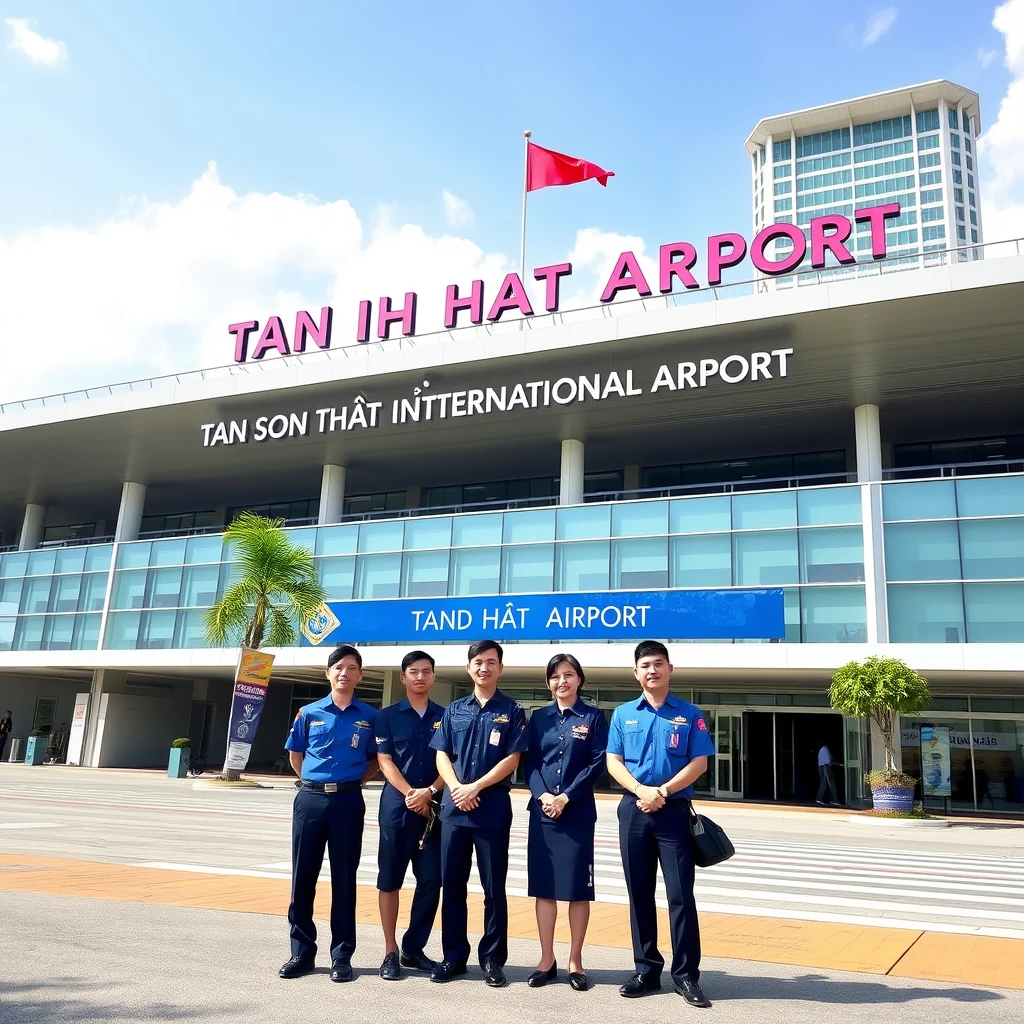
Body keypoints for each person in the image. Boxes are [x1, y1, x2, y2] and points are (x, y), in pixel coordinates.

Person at [605, 640, 716, 1009]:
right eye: (645, 665)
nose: (652, 670)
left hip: (673, 812)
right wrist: (640, 790)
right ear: (635, 673)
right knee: (639, 893)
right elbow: (613, 761)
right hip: (634, 809)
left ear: (670, 669)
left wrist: (663, 792)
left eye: (658, 664)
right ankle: (646, 970)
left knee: (680, 895)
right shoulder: (623, 714)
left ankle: (686, 976)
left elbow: (700, 761)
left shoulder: (689, 713)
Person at [428, 639, 528, 987]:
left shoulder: (513, 711)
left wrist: (476, 787)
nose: (483, 667)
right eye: (478, 662)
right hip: (453, 809)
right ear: (469, 666)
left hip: (492, 808)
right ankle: (453, 957)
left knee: (492, 888)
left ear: (500, 667)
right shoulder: (454, 709)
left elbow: (512, 759)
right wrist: (457, 787)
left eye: (491, 662)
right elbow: (441, 754)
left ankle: (492, 960)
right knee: (452, 886)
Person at [279, 644, 378, 983]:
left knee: (344, 880)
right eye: (338, 667)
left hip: (348, 803)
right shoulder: (308, 712)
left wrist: (351, 784)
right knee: (302, 877)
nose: (344, 673)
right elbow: (297, 756)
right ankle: (301, 952)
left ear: (360, 675)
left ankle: (342, 955)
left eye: (351, 668)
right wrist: (313, 783)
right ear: (327, 673)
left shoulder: (370, 716)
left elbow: (374, 760)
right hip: (310, 801)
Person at [523, 653, 608, 992]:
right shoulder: (538, 718)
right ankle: (546, 960)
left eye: (569, 675)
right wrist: (544, 797)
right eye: (556, 676)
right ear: (549, 682)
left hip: (577, 815)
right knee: (544, 889)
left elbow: (597, 764)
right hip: (542, 814)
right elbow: (527, 763)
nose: (563, 681)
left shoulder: (594, 717)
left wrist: (566, 797)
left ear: (579, 680)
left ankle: (575, 961)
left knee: (576, 890)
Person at [374, 650, 445, 980]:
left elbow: (452, 763)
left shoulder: (446, 717)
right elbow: (385, 761)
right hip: (396, 811)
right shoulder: (387, 716)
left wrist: (429, 792)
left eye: (426, 671)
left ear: (433, 676)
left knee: (432, 880)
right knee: (390, 881)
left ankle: (413, 948)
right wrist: (410, 794)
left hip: (434, 812)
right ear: (403, 677)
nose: (420, 676)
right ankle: (390, 951)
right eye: (413, 671)